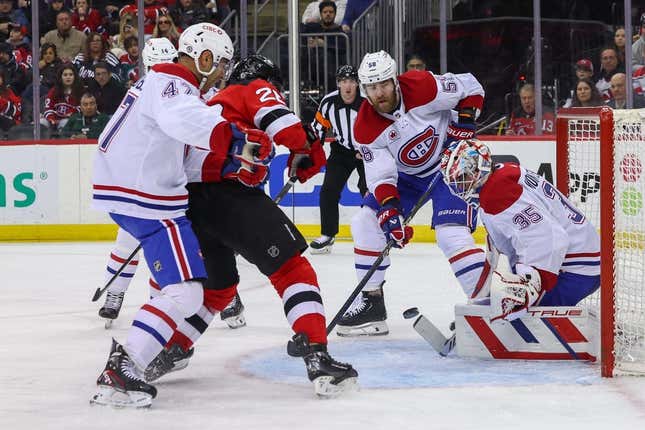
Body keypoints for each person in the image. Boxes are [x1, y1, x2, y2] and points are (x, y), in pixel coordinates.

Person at [143, 54, 357, 397]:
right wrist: (306, 146)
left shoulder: (211, 102)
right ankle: (317, 354)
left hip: (190, 201)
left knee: (219, 289)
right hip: (227, 195)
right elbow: (283, 124)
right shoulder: (251, 88)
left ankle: (174, 348)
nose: (275, 90)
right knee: (292, 270)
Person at [89, 23, 267, 409]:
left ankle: (144, 351)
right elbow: (180, 120)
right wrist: (237, 140)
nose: (222, 74)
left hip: (134, 194)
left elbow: (180, 147)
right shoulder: (173, 84)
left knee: (169, 285)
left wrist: (230, 163)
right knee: (185, 291)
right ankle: (125, 364)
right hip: (147, 198)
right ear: (204, 59)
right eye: (220, 65)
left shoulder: (161, 85)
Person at [335, 50, 485, 336]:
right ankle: (372, 304)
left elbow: (471, 87)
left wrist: (464, 123)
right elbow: (381, 176)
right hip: (409, 177)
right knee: (366, 221)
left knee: (451, 232)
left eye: (384, 84)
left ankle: (484, 306)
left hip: (453, 160)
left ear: (394, 80)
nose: (379, 93)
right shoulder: (365, 127)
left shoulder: (422, 86)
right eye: (372, 87)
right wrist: (390, 212)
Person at [441, 139, 600, 322]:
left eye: (463, 177)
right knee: (508, 305)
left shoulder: (496, 191)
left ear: (480, 167)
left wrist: (530, 287)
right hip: (580, 256)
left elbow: (548, 237)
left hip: (576, 269)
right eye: (456, 181)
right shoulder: (501, 174)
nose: (460, 186)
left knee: (522, 318)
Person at [309, 64, 367, 254]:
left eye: (351, 81)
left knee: (368, 191)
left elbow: (381, 127)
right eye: (343, 81)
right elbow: (318, 128)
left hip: (367, 152)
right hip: (341, 151)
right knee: (328, 191)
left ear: (357, 84)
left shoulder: (367, 101)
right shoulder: (329, 102)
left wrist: (368, 149)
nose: (348, 86)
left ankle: (376, 234)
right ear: (338, 84)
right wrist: (309, 150)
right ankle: (328, 234)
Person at [40, 63, 83, 132]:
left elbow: (81, 109)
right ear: (61, 77)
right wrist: (52, 119)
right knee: (41, 122)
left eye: (71, 75)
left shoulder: (80, 91)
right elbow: (48, 108)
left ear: (75, 77)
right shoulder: (53, 91)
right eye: (65, 75)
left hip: (71, 121)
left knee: (65, 123)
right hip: (53, 120)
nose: (68, 77)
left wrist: (68, 116)